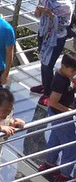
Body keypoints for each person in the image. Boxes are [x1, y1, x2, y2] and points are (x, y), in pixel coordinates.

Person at [30, 0, 74, 106]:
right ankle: (45, 85)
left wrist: (51, 15)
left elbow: (64, 23)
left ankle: (48, 93)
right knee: (43, 60)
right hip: (44, 34)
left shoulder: (65, 5)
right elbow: (37, 15)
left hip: (57, 37)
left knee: (48, 64)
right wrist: (38, 11)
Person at [38, 54, 76, 182]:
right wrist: (70, 111)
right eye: (72, 71)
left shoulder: (64, 76)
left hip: (56, 115)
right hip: (61, 116)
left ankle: (50, 163)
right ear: (64, 67)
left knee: (56, 138)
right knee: (71, 145)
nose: (74, 74)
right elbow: (53, 102)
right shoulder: (60, 81)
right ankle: (64, 174)